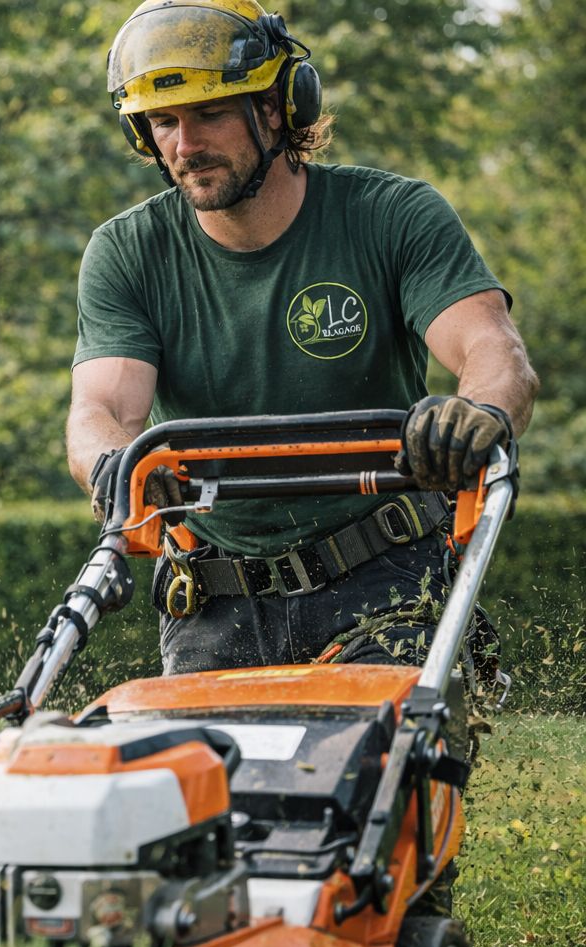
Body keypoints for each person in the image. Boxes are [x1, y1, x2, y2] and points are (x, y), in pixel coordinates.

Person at [67, 0, 538, 690]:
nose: (185, 145)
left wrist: (480, 411)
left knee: (375, 751)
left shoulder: (391, 217)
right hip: (212, 595)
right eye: (164, 122)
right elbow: (100, 409)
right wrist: (113, 464)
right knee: (191, 762)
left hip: (385, 573)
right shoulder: (128, 252)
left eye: (210, 113)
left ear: (277, 107)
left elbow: (493, 350)